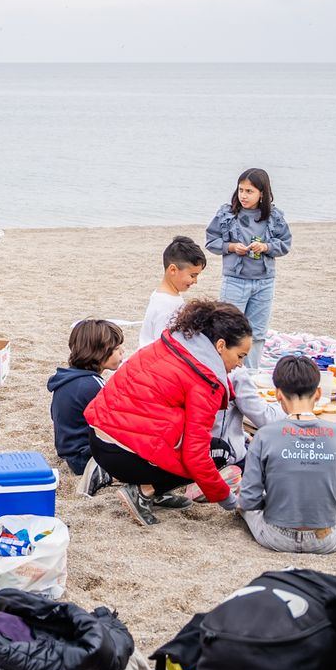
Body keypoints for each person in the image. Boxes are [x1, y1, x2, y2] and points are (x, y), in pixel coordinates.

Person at [83, 300, 253, 526]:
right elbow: (197, 456)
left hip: (99, 438)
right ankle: (145, 490)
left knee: (188, 439)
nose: (241, 364)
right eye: (240, 355)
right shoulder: (204, 380)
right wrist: (229, 500)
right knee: (218, 452)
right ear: (220, 345)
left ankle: (150, 487)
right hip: (123, 454)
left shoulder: (172, 344)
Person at [238, 354, 336, 553]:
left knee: (241, 494)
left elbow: (249, 500)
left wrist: (273, 499)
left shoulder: (264, 435)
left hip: (275, 535)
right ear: (318, 393)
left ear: (278, 394)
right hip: (326, 539)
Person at [205, 168, 291, 371]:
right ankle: (222, 372)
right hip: (235, 280)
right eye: (241, 190)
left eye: (249, 191)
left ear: (263, 193)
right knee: (226, 329)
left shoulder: (274, 217)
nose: (243, 195)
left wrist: (266, 247)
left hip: (264, 282)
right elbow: (211, 241)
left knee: (258, 333)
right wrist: (232, 247)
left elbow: (285, 243)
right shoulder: (227, 214)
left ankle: (250, 375)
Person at [48, 319, 123, 486]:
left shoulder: (68, 379)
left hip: (71, 453)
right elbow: (115, 423)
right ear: (99, 352)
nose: (122, 352)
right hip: (86, 459)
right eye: (117, 349)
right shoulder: (92, 385)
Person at [138, 236, 206, 348]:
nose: (195, 281)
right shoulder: (165, 305)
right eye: (192, 276)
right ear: (173, 270)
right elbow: (162, 345)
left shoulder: (166, 295)